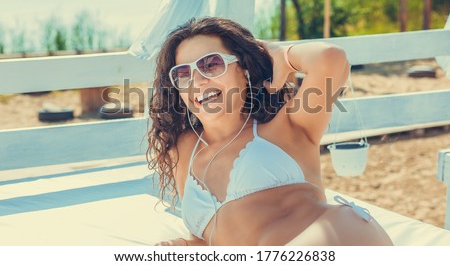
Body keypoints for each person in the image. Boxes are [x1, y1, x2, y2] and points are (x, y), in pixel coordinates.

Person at [148, 17, 393, 246]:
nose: (198, 81)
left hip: (335, 235)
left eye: (211, 65)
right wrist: (188, 247)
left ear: (243, 69)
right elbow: (212, 241)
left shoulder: (285, 126)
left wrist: (276, 53)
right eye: (183, 74)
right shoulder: (182, 148)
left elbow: (331, 58)